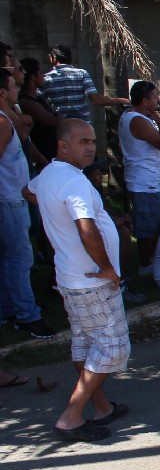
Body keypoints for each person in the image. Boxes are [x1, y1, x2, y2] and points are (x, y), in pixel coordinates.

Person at [25, 120, 131, 441]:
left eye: (92, 141)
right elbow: (87, 228)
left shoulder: (49, 177)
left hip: (71, 278)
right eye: (82, 141)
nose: (90, 147)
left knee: (86, 343)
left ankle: (101, 407)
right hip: (92, 280)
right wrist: (108, 268)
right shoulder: (74, 182)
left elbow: (27, 191)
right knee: (112, 348)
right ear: (62, 145)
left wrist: (50, 206)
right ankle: (71, 416)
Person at [0, 68, 51, 338]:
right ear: (2, 92)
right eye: (12, 88)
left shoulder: (9, 117)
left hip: (11, 197)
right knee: (20, 259)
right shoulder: (2, 122)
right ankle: (27, 315)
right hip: (9, 199)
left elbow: (22, 139)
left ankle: (10, 309)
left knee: (10, 259)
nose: (16, 91)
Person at [119, 80, 160, 275]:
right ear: (145, 100)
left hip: (146, 179)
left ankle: (149, 259)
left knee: (151, 221)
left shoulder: (130, 116)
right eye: (155, 97)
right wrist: (159, 121)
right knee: (147, 226)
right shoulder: (139, 120)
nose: (158, 100)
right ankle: (145, 263)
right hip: (143, 181)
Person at [43, 45, 127, 123]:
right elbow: (96, 100)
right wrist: (121, 100)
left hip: (59, 126)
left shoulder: (46, 78)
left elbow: (41, 103)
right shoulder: (81, 73)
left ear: (53, 58)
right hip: (82, 125)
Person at [18, 58, 59, 161]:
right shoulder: (27, 102)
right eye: (40, 72)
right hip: (43, 154)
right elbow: (55, 122)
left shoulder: (38, 97)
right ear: (32, 77)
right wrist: (57, 115)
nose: (43, 75)